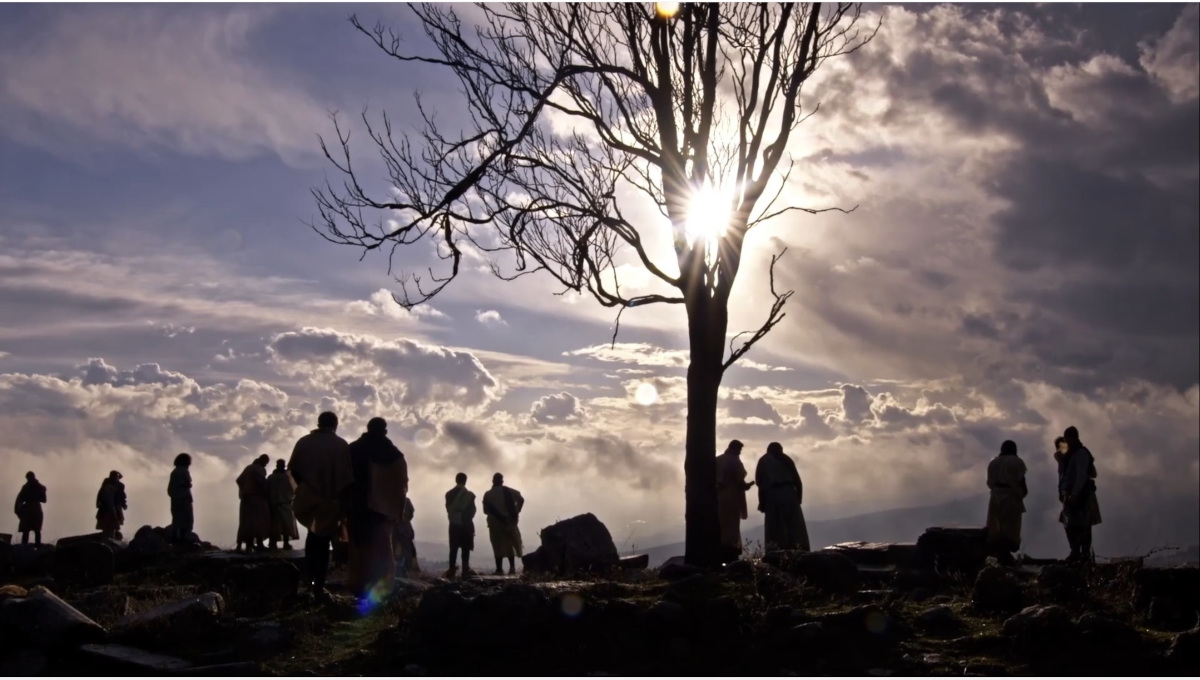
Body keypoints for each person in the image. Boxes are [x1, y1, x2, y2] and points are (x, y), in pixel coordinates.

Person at [288, 411, 353, 596]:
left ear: (318, 423)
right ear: (336, 425)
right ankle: (318, 584)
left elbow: (293, 471)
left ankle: (311, 581)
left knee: (312, 536)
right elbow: (346, 477)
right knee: (323, 542)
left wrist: (304, 488)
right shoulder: (341, 445)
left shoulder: (304, 442)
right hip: (331, 500)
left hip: (308, 497)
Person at [347, 417, 409, 602]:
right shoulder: (393, 454)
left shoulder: (353, 449)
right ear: (385, 431)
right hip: (381, 510)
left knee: (359, 548)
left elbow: (344, 478)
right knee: (381, 550)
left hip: (356, 506)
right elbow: (401, 484)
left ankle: (359, 588)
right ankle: (379, 590)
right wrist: (398, 509)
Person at [754, 442, 810, 551]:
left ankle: (775, 549)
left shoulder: (763, 461)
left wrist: (761, 501)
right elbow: (798, 481)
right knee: (794, 523)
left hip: (772, 494)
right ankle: (798, 548)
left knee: (775, 524)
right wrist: (799, 498)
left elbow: (760, 483)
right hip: (789, 493)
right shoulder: (786, 459)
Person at [1058, 427, 1101, 564]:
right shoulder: (1068, 454)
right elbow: (1062, 469)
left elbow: (1081, 475)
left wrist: (1075, 493)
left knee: (1083, 525)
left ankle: (1085, 554)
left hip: (1081, 494)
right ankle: (1075, 551)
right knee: (1069, 523)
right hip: (1068, 493)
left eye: (1068, 438)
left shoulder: (1081, 453)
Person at [985, 440, 1028, 563]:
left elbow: (989, 482)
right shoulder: (1017, 462)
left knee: (996, 525)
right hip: (1011, 496)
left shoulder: (993, 463)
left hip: (995, 496)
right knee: (1010, 526)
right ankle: (1005, 554)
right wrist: (1022, 493)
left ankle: (999, 553)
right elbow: (1020, 481)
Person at [715, 440, 754, 563]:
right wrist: (747, 486)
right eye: (740, 450)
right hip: (732, 496)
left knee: (721, 523)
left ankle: (719, 547)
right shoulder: (735, 460)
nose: (740, 453)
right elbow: (739, 480)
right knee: (731, 524)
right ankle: (730, 551)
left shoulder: (718, 460)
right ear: (736, 449)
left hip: (718, 497)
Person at [483, 473, 525, 575]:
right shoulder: (508, 491)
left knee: (497, 545)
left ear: (493, 481)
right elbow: (521, 499)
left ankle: (499, 569)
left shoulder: (488, 494)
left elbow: (485, 510)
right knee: (509, 545)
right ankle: (512, 568)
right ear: (502, 481)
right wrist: (516, 511)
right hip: (508, 521)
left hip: (494, 523)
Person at [236, 454, 271, 552]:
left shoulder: (249, 468)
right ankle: (259, 544)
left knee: (246, 522)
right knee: (258, 521)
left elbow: (239, 480)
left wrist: (245, 490)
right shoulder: (259, 469)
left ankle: (248, 545)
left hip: (246, 499)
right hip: (257, 498)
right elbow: (262, 483)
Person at [444, 472, 477, 578]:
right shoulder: (470, 495)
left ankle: (451, 569)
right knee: (465, 546)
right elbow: (472, 510)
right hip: (466, 523)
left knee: (453, 547)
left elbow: (448, 509)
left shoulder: (448, 494)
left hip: (453, 523)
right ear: (465, 481)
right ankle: (465, 568)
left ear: (456, 480)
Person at [267, 459, 299, 550]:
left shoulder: (271, 477)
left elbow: (267, 489)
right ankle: (284, 544)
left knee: (275, 525)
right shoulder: (288, 477)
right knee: (286, 525)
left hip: (274, 504)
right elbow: (295, 489)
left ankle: (274, 543)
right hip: (285, 503)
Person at [15, 471, 47, 546]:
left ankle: (28, 547)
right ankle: (32, 546)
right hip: (35, 509)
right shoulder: (39, 487)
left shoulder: (27, 487)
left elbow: (20, 499)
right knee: (33, 530)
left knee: (30, 530)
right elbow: (44, 500)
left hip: (30, 509)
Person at [168, 453, 194, 543]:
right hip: (183, 499)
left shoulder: (174, 472)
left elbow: (170, 489)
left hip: (176, 499)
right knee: (186, 520)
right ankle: (183, 540)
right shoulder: (183, 471)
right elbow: (187, 483)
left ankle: (177, 538)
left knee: (177, 520)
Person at [96, 470, 127, 540]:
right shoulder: (108, 486)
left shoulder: (118, 486)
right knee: (109, 526)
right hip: (108, 510)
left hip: (111, 509)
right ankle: (108, 539)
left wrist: (123, 504)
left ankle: (110, 538)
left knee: (111, 527)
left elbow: (122, 496)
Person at [395, 497, 418, 577]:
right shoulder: (406, 500)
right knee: (406, 552)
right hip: (404, 531)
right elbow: (411, 513)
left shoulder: (391, 499)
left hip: (398, 531)